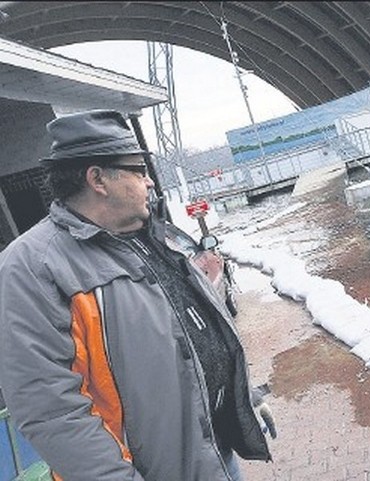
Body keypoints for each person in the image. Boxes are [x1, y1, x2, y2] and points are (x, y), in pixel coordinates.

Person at [0, 110, 275, 481]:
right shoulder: (32, 268)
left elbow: (198, 334)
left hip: (212, 455)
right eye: (137, 170)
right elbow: (51, 410)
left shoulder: (152, 238)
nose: (149, 183)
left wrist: (244, 401)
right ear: (98, 179)